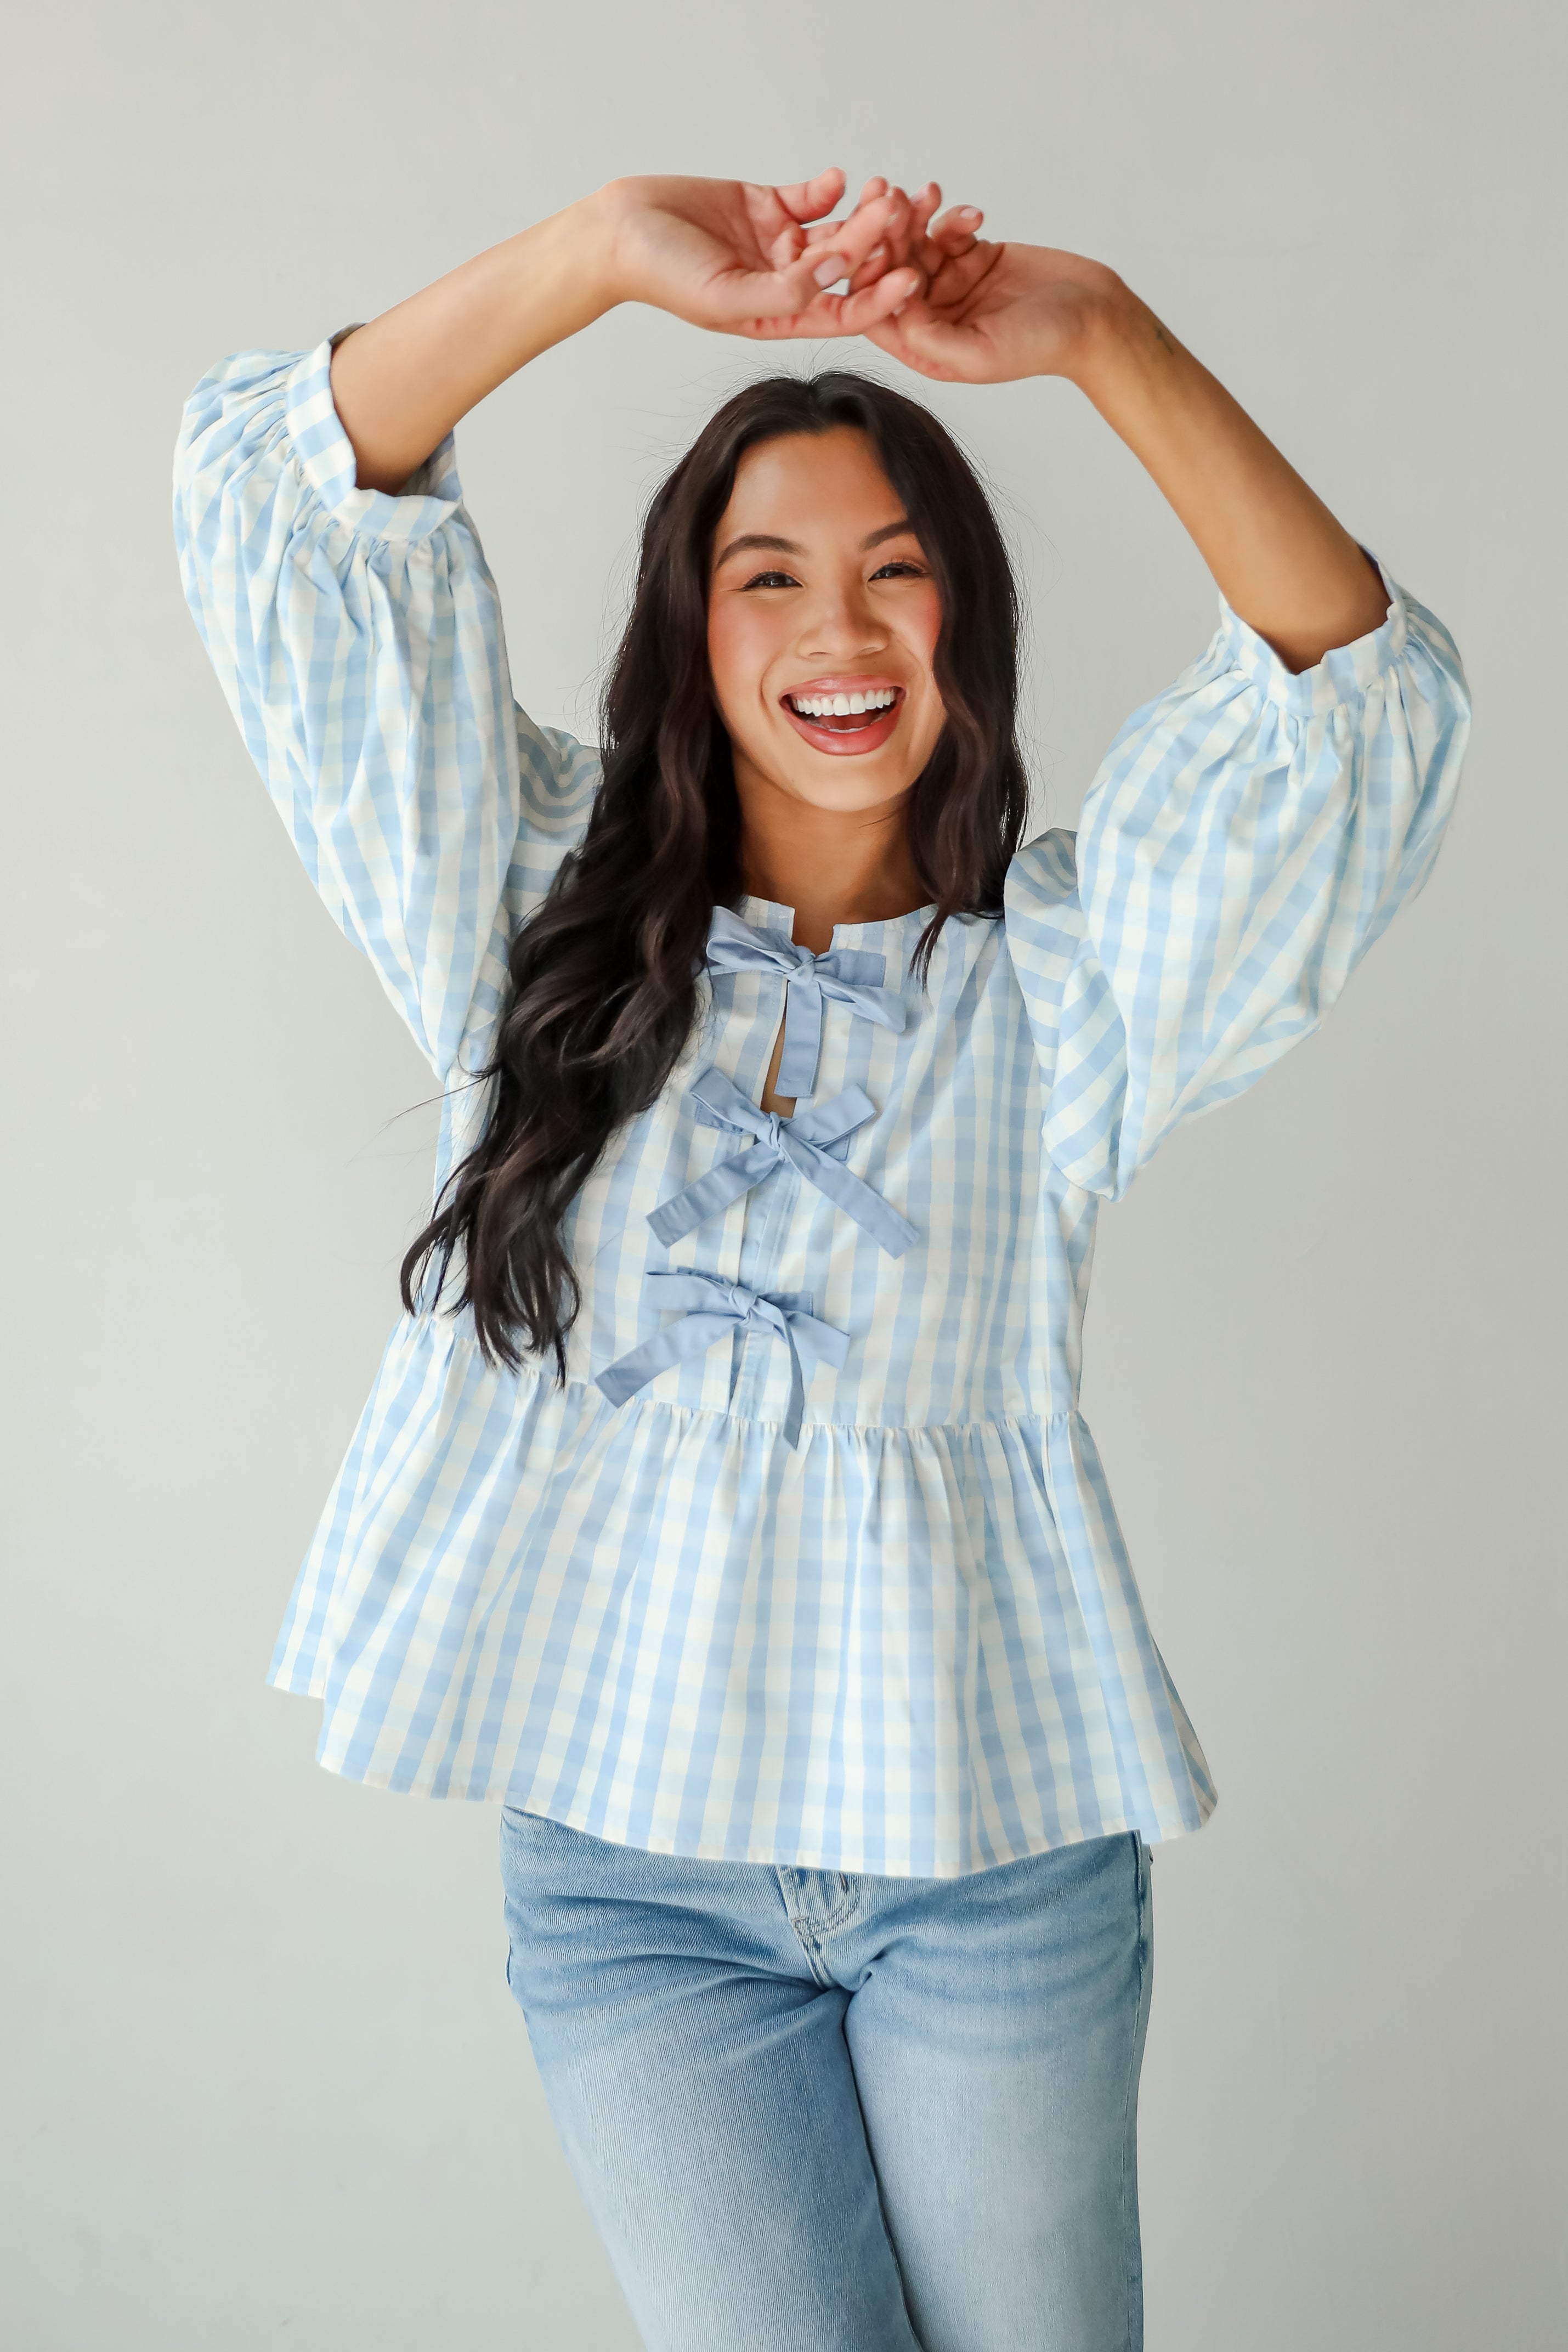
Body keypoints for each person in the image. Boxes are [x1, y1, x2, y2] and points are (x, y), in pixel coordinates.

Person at [173, 168, 1469, 2352]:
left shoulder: (1065, 980)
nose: (838, 636)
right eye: (767, 579)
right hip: (627, 1883)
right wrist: (599, 253)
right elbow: (285, 507)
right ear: (694, 632)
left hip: (994, 1865)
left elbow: (1355, 706)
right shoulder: (519, 902)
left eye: (895, 574)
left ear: (965, 617)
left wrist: (1101, 332)